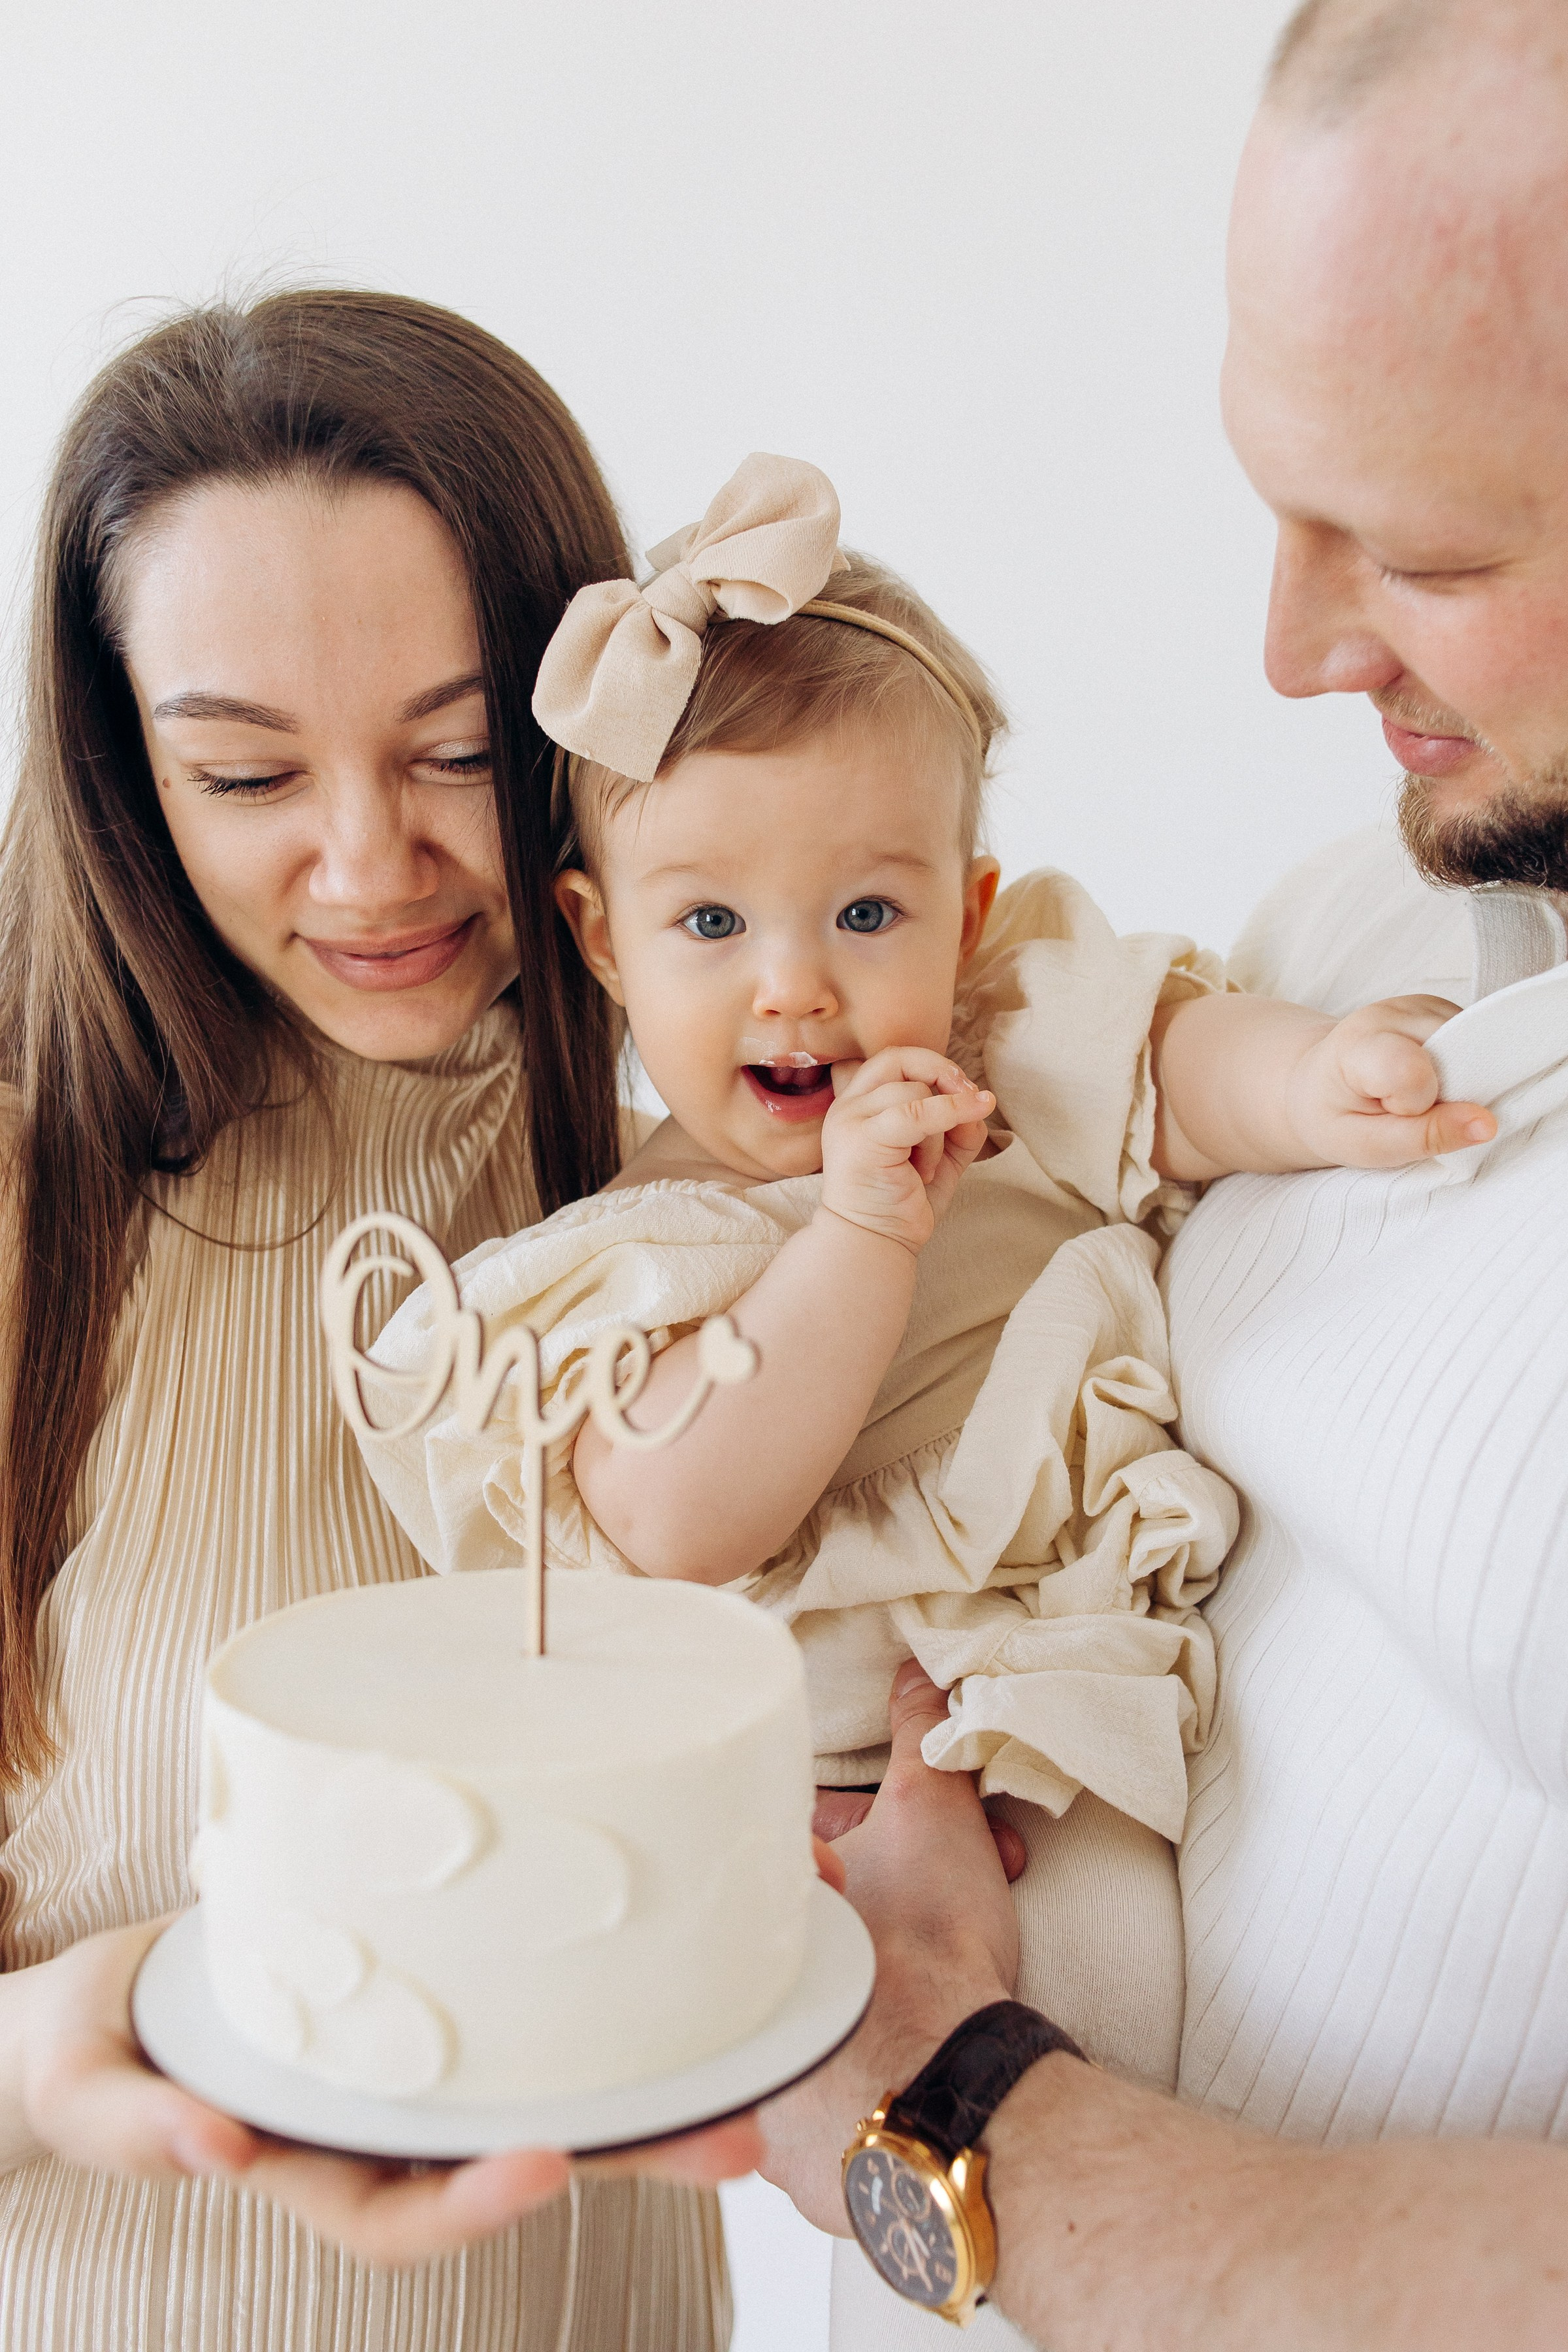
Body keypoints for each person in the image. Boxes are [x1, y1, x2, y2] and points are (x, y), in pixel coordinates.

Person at [359, 448, 1504, 2338]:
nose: (796, 988)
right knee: (893, 2217)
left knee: (1132, 2031)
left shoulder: (1006, 1051)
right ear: (596, 939)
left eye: (866, 917)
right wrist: (862, 1239)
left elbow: (1170, 1067)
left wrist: (1324, 1083)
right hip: (812, 1788)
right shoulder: (620, 1255)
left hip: (1062, 1702)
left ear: (967, 915)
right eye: (710, 926)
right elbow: (681, 1516)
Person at [762, 2, 1568, 2342]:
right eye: (1279, 500)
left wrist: (942, 2101)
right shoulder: (1384, 918)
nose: (1295, 643)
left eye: (1419, 551)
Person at [0, 290, 753, 2352]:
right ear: (120, 769)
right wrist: (55, 2040)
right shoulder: (25, 1208)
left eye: (459, 752)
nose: (369, 866)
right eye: (245, 773)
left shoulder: (740, 1167)